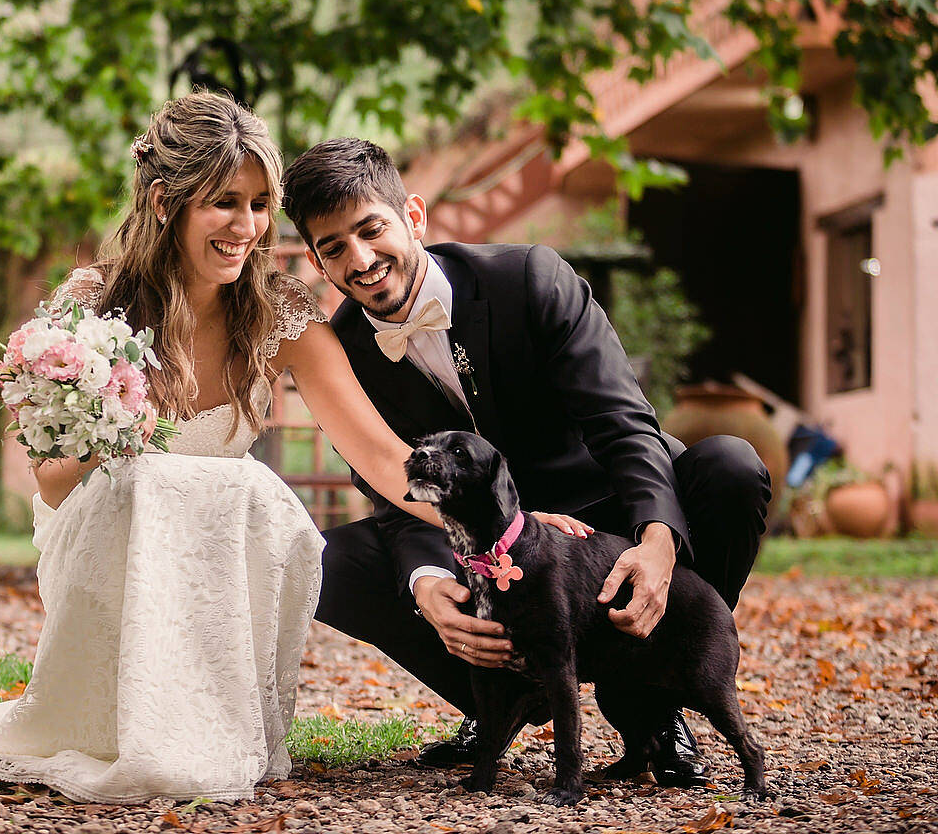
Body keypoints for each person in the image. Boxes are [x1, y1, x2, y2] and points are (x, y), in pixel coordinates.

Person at [0, 92, 593, 803]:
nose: (248, 226)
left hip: (215, 556)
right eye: (225, 203)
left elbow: (382, 458)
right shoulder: (91, 307)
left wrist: (510, 529)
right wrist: (115, 423)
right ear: (165, 203)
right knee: (184, 484)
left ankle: (209, 723)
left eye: (260, 205)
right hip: (106, 538)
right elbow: (50, 482)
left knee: (253, 494)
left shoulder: (280, 313)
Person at [281, 137, 771, 787]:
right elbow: (394, 493)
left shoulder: (530, 278)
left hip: (600, 520)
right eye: (334, 248)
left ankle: (653, 691)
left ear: (414, 217)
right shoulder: (341, 351)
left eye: (371, 231)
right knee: (332, 560)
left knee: (731, 468)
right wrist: (428, 584)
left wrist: (657, 542)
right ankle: (504, 696)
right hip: (484, 548)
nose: (361, 260)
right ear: (317, 260)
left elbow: (624, 422)